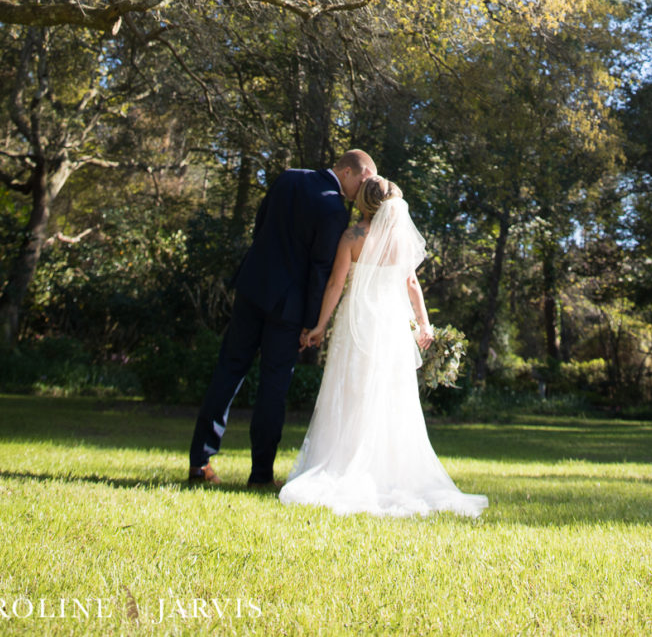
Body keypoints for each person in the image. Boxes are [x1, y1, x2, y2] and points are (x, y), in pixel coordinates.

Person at [278, 176, 487, 518]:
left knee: (351, 391)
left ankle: (344, 462)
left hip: (358, 321)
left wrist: (319, 325)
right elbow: (411, 282)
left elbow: (335, 283)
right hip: (390, 324)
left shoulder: (352, 237)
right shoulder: (401, 239)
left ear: (362, 202)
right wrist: (424, 323)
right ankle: (387, 469)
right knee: (391, 394)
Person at [187, 149, 376, 489]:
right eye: (361, 181)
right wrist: (312, 322)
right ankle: (260, 475)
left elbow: (260, 226)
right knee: (273, 388)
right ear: (347, 171)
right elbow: (320, 269)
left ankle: (200, 462)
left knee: (227, 371)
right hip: (287, 309)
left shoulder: (289, 177)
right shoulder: (334, 209)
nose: (361, 190)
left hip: (251, 289)